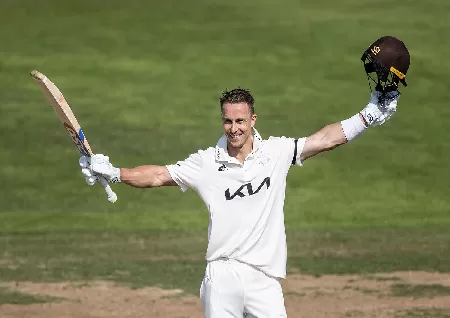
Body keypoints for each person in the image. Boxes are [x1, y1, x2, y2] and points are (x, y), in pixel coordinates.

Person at [79, 36, 410, 317]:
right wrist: (114, 172)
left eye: (240, 121)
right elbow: (156, 176)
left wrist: (369, 114)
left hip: (264, 280)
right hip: (221, 276)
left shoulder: (277, 152)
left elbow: (325, 140)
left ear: (253, 120)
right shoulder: (206, 162)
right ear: (222, 121)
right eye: (227, 121)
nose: (234, 129)